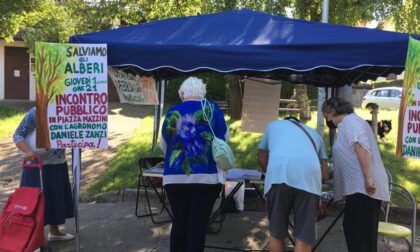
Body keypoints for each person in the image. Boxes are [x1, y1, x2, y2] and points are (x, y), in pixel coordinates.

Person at [160, 77, 228, 252]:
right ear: (202, 93)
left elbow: (164, 145)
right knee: (197, 226)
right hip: (206, 178)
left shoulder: (172, 112)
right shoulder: (212, 109)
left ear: (182, 94)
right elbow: (224, 141)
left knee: (179, 223)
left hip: (174, 179)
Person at [322, 97, 390, 252]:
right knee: (358, 232)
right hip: (360, 188)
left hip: (364, 188)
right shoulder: (349, 124)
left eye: (325, 114)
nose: (326, 119)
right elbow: (351, 155)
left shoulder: (350, 122)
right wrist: (333, 173)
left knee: (358, 233)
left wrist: (368, 179)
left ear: (331, 112)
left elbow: (361, 147)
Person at [257, 116, 329, 252]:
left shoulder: (272, 125)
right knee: (304, 234)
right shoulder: (315, 134)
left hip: (279, 175)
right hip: (309, 178)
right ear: (300, 123)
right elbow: (325, 174)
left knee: (276, 231)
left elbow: (261, 158)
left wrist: (270, 171)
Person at [13, 107, 74, 241]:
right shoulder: (36, 112)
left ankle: (54, 231)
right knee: (34, 202)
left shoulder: (67, 111)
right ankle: (32, 237)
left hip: (57, 163)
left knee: (55, 198)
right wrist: (27, 151)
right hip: (36, 165)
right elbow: (17, 135)